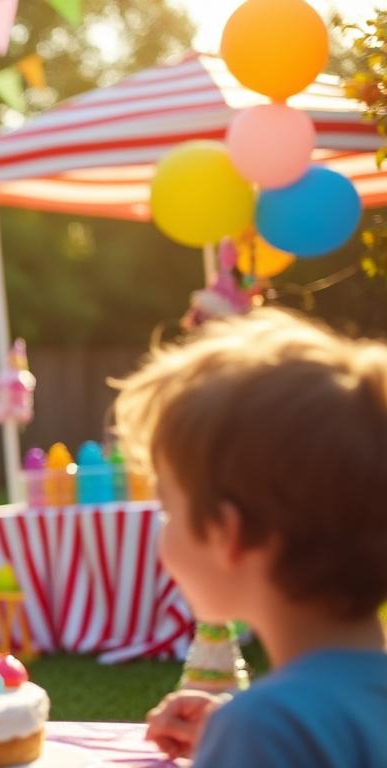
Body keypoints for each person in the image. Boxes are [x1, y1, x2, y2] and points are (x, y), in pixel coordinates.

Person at [112, 309, 387, 766]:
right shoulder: (287, 725)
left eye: (168, 510)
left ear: (226, 534)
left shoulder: (263, 729)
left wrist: (251, 736)